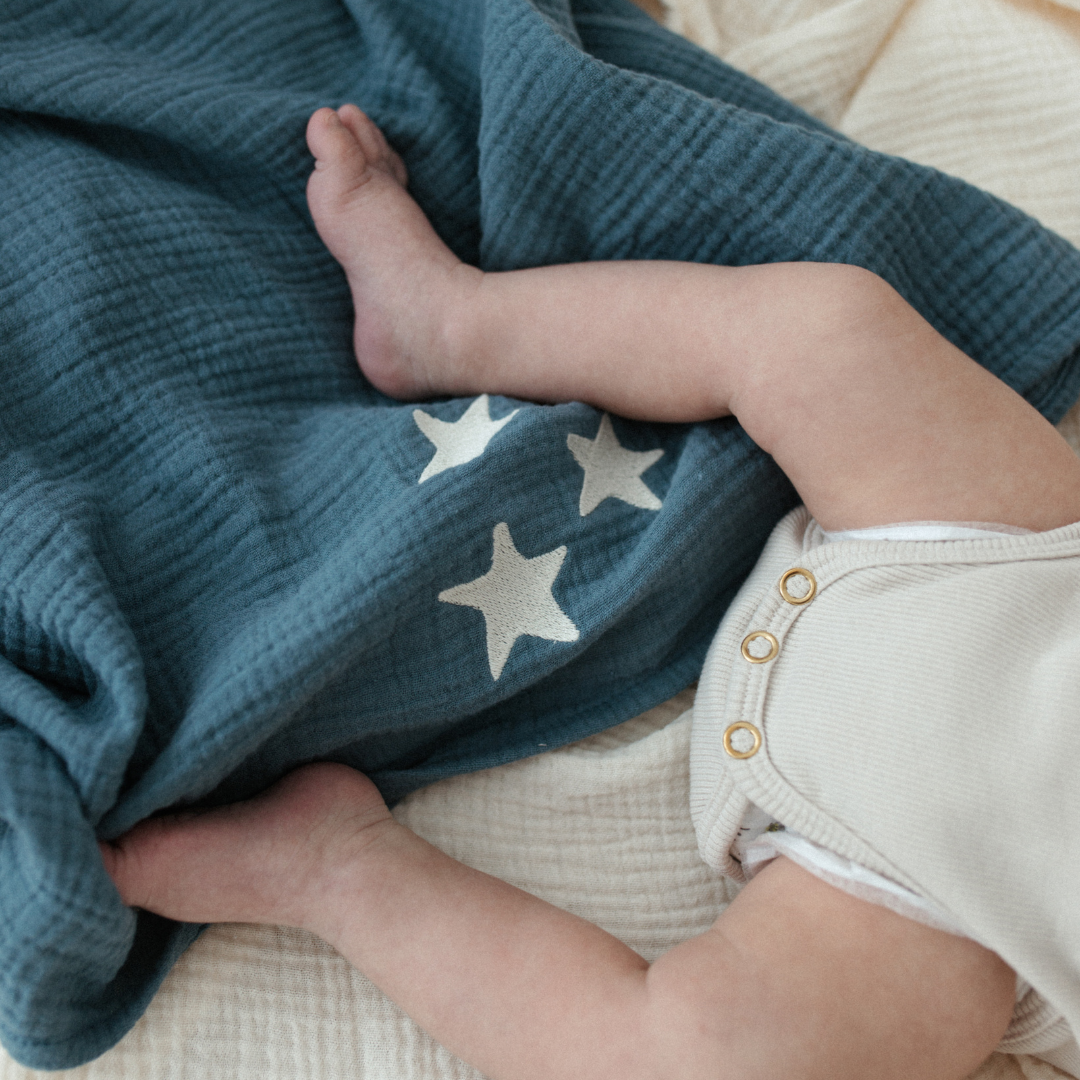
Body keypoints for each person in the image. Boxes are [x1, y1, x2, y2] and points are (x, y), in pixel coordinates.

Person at [99, 105, 1080, 1080]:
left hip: (951, 903)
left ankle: (338, 871)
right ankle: (454, 322)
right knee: (829, 331)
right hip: (1006, 563)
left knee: (697, 1062)